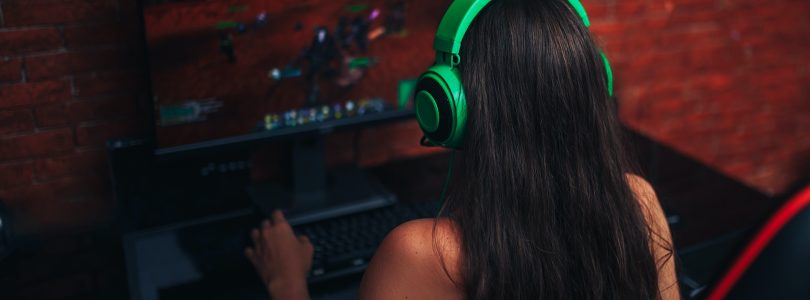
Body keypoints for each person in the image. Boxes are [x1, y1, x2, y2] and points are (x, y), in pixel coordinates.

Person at [245, 0, 679, 299]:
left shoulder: (422, 254)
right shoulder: (640, 204)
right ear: (593, 87)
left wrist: (288, 285)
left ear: (449, 107)